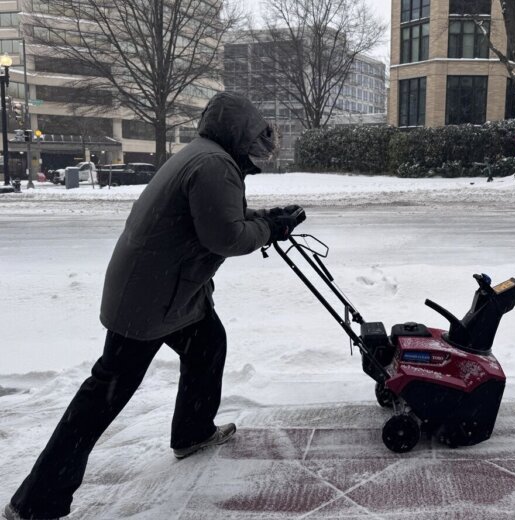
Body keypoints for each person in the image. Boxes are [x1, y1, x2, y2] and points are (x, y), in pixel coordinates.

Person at [4, 92, 303, 520]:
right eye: (256, 146)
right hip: (151, 299)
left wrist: (266, 215)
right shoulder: (215, 165)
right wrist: (269, 229)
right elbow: (224, 237)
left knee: (207, 345)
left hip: (168, 291)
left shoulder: (206, 156)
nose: (259, 157)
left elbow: (218, 215)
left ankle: (193, 432)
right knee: (104, 395)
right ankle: (36, 502)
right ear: (240, 137)